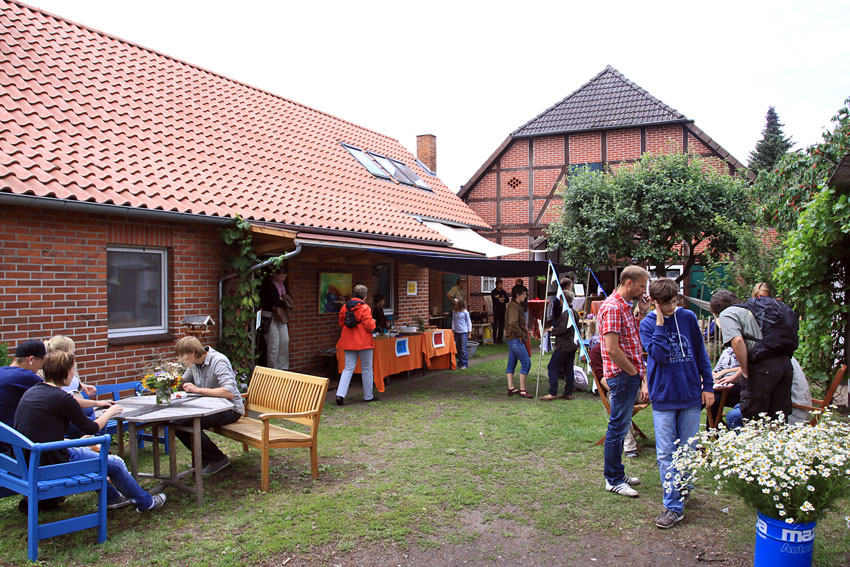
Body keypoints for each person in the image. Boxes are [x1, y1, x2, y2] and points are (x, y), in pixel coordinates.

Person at [14, 350, 166, 512]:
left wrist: (98, 404)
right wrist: (110, 412)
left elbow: (51, 421)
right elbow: (92, 428)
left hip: (29, 458)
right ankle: (146, 503)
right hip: (49, 463)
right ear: (66, 373)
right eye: (73, 371)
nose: (74, 375)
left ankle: (112, 498)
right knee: (115, 464)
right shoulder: (61, 398)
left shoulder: (34, 391)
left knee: (91, 452)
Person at [639, 278, 714, 529]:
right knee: (666, 453)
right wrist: (661, 323)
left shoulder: (688, 318)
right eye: (666, 304)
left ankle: (683, 492)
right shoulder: (647, 324)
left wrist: (708, 385)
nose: (672, 307)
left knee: (688, 450)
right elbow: (659, 355)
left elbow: (701, 353)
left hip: (690, 394)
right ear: (654, 302)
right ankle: (673, 506)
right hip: (664, 396)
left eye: (674, 302)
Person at [598, 265, 650, 498]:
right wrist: (632, 372)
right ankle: (613, 479)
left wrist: (642, 313)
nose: (644, 291)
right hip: (622, 376)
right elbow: (612, 348)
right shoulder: (612, 307)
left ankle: (618, 472)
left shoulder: (625, 306)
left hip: (627, 375)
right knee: (618, 427)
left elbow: (630, 337)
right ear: (629, 283)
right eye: (641, 286)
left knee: (621, 425)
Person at [709, 289, 794, 422]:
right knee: (777, 418)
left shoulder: (727, 313)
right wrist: (735, 376)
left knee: (754, 418)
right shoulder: (752, 309)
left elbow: (737, 341)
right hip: (783, 365)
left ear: (715, 311)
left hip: (762, 369)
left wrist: (744, 369)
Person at [173, 336, 244, 476]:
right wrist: (168, 379)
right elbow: (184, 381)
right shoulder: (195, 363)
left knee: (187, 423)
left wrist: (198, 390)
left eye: (183, 356)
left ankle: (218, 458)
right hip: (209, 407)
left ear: (192, 352)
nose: (181, 360)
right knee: (176, 422)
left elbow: (229, 392)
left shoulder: (218, 361)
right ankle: (204, 458)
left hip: (230, 409)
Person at [43, 335, 115, 438]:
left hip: (76, 406)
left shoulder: (66, 368)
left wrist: (82, 386)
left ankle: (91, 440)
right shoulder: (57, 383)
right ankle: (92, 442)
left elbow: (69, 385)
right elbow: (69, 399)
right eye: (72, 351)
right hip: (70, 411)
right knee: (99, 417)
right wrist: (102, 407)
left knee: (99, 412)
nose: (74, 353)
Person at [589, 341, 638, 457]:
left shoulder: (626, 346)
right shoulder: (597, 351)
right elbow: (601, 378)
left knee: (658, 395)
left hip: (635, 387)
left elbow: (639, 369)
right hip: (616, 389)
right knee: (621, 403)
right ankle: (629, 447)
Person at [336, 284, 378, 405]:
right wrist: (373, 322)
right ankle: (368, 396)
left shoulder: (344, 307)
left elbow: (341, 323)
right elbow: (369, 326)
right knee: (367, 369)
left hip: (348, 341)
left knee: (348, 368)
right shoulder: (365, 308)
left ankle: (340, 394)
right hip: (363, 341)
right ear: (365, 296)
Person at [0, 340, 45, 431]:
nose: (40, 368)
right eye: (41, 362)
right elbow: (55, 395)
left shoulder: (2, 371)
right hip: (11, 435)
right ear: (31, 359)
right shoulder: (27, 376)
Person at [542, 290, 579, 400]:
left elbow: (563, 329)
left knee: (552, 367)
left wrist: (552, 330)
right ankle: (568, 392)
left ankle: (553, 392)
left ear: (563, 299)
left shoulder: (566, 313)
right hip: (572, 344)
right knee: (568, 368)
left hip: (564, 345)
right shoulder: (574, 312)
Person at [260, 266, 294, 370]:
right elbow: (275, 301)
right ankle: (273, 369)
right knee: (274, 343)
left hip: (281, 316)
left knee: (285, 340)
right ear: (275, 275)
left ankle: (283, 367)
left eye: (284, 277)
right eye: (281, 277)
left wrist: (282, 299)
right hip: (270, 316)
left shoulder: (283, 284)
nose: (283, 279)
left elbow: (289, 298)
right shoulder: (269, 285)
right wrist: (282, 300)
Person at [505, 286, 533, 398]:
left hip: (513, 337)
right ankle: (522, 389)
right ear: (518, 295)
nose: (525, 296)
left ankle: (511, 387)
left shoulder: (515, 306)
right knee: (526, 362)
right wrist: (521, 334)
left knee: (512, 362)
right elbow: (513, 323)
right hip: (515, 338)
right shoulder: (513, 307)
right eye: (524, 294)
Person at [452, 298, 472, 369]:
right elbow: (453, 321)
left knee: (464, 348)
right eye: (454, 305)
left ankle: (465, 363)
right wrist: (453, 331)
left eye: (456, 304)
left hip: (464, 331)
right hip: (457, 332)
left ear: (460, 305)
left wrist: (469, 332)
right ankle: (460, 362)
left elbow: (469, 322)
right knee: (458, 347)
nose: (455, 306)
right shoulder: (454, 312)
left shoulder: (465, 312)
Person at [490, 279, 509, 343]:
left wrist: (503, 300)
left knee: (502, 324)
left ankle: (500, 339)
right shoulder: (494, 292)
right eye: (500, 284)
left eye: (502, 284)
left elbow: (507, 299)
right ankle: (494, 338)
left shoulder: (503, 292)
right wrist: (499, 300)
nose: (501, 285)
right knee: (495, 324)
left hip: (503, 310)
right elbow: (494, 299)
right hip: (496, 310)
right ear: (497, 285)